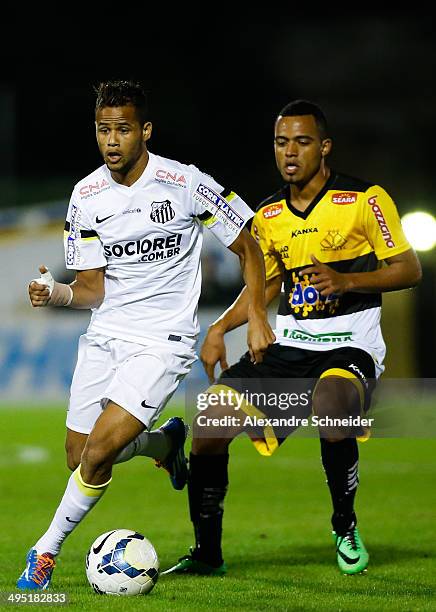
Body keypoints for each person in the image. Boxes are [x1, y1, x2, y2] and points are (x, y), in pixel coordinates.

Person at [17, 80, 274, 590]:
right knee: (78, 454)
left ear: (145, 130)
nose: (112, 141)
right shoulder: (86, 195)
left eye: (123, 129)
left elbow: (251, 246)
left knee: (96, 455)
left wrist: (258, 315)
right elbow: (91, 288)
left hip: (163, 342)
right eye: (103, 130)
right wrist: (56, 294)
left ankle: (44, 552)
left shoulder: (184, 182)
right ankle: (163, 445)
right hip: (105, 335)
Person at [166, 100, 422, 576]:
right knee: (208, 425)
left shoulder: (365, 201)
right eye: (282, 142)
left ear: (323, 147)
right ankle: (206, 553)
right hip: (289, 349)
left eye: (302, 142)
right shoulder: (267, 214)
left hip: (351, 346)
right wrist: (221, 329)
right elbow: (266, 286)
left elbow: (409, 269)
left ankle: (344, 525)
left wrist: (347, 282)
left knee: (331, 401)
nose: (290, 152)